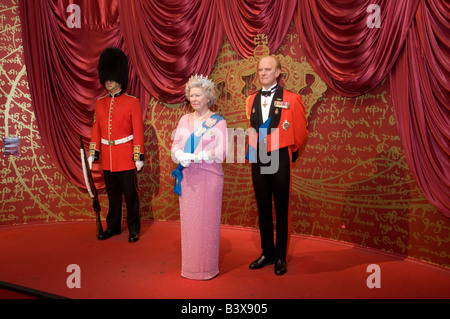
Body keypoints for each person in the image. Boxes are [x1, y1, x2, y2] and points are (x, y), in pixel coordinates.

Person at [246, 55, 308, 275]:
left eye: (268, 69)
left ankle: (281, 256)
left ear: (278, 72)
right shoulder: (250, 99)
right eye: (260, 69)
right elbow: (252, 129)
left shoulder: (292, 98)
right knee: (263, 207)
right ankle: (267, 252)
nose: (263, 73)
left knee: (282, 209)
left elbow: (301, 130)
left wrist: (291, 154)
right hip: (259, 157)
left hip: (280, 157)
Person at [171, 74, 228, 280]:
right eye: (191, 95)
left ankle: (207, 269)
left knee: (208, 223)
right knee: (190, 224)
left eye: (198, 95)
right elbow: (175, 146)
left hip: (209, 178)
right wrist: (179, 155)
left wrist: (199, 155)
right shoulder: (184, 120)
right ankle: (191, 268)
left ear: (208, 96)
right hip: (188, 179)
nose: (194, 99)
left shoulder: (218, 122)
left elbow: (222, 152)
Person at [88, 47, 145, 243]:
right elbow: (97, 129)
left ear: (119, 76)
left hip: (126, 157)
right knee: (112, 196)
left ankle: (134, 229)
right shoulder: (100, 103)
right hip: (108, 157)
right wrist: (92, 152)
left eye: (111, 77)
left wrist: (138, 156)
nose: (108, 81)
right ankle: (112, 227)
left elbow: (138, 131)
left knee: (130, 195)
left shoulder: (132, 102)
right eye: (106, 77)